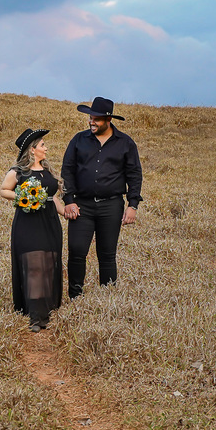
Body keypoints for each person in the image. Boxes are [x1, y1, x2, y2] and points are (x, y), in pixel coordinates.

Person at [60, 96, 143, 298]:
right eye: (90, 118)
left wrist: (132, 205)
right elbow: (67, 170)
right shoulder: (79, 140)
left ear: (108, 120)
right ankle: (75, 297)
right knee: (76, 251)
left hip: (111, 206)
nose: (91, 122)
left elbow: (134, 174)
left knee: (107, 254)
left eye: (96, 119)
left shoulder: (125, 143)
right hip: (82, 205)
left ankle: (107, 298)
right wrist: (69, 200)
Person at [0, 128, 65, 332]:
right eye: (43, 145)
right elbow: (4, 190)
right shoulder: (18, 172)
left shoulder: (47, 171)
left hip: (50, 222)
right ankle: (36, 316)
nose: (46, 148)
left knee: (49, 263)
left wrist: (66, 212)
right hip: (28, 223)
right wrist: (24, 196)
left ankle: (47, 308)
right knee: (34, 265)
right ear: (32, 149)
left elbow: (52, 197)